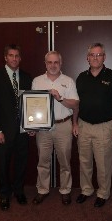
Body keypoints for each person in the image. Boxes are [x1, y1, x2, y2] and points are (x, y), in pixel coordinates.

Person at [0, 44, 32, 211]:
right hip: (2, 132)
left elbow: (30, 105)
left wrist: (31, 125)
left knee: (21, 163)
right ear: (5, 57)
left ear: (20, 58)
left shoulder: (27, 77)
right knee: (3, 165)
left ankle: (18, 191)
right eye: (11, 55)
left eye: (17, 55)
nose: (14, 58)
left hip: (23, 131)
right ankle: (4, 194)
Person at [74, 43, 112, 207]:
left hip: (105, 126)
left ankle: (103, 193)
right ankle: (86, 190)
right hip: (83, 125)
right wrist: (74, 123)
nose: (95, 58)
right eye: (92, 55)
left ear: (104, 57)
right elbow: (76, 104)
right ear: (87, 58)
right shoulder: (81, 77)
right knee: (84, 161)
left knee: (103, 163)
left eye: (99, 54)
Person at [31, 51, 79, 205]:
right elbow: (32, 105)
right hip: (43, 128)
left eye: (56, 62)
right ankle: (42, 189)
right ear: (45, 64)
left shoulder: (69, 81)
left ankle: (65, 190)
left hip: (63, 125)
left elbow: (75, 104)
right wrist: (31, 125)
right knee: (43, 160)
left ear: (61, 63)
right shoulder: (37, 81)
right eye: (49, 62)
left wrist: (60, 98)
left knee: (65, 161)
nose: (53, 65)